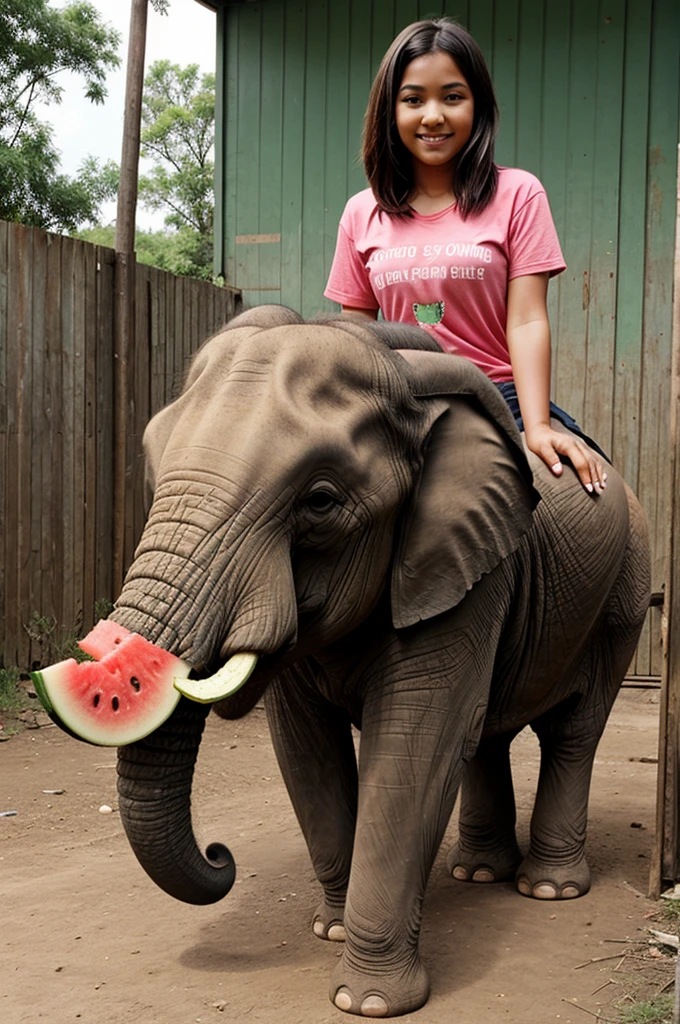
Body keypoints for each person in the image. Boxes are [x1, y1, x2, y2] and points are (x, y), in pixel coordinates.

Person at [324, 17, 607, 495]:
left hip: (496, 400)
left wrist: (536, 426)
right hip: (399, 406)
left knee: (576, 505)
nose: (432, 115)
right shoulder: (360, 213)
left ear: (478, 106)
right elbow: (358, 337)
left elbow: (526, 321)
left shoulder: (519, 194)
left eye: (452, 97)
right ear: (390, 111)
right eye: (413, 99)